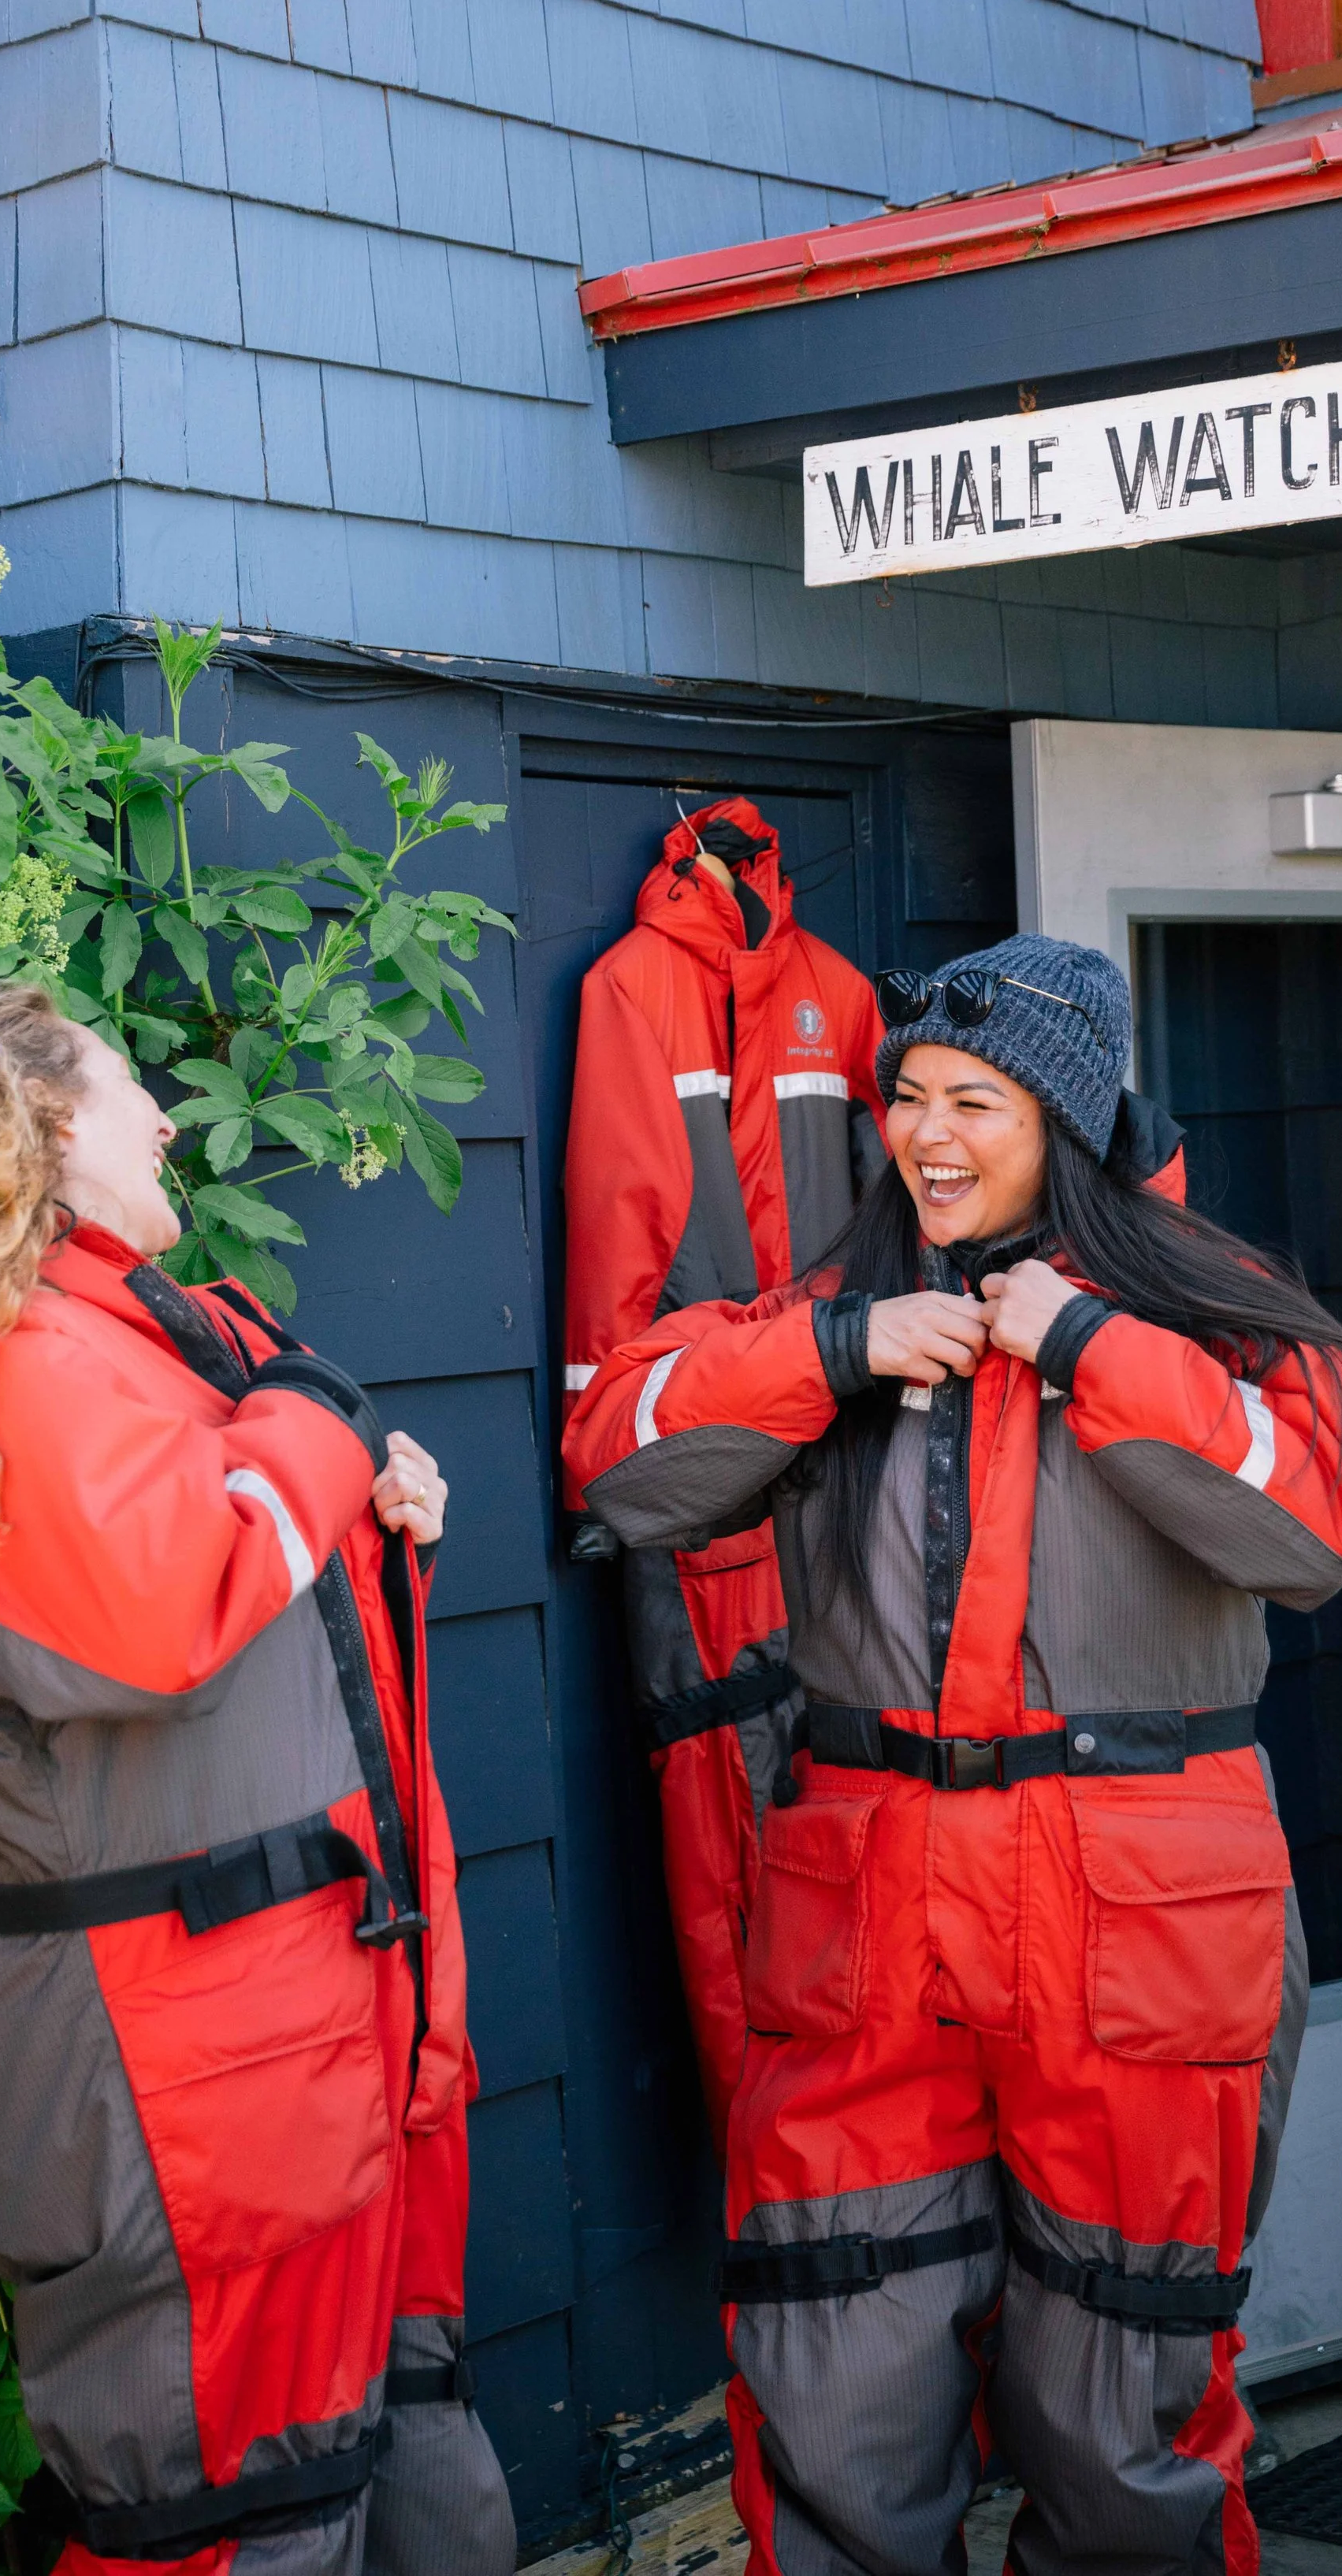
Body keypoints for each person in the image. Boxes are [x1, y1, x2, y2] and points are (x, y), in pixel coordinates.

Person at [563, 935, 1342, 2576]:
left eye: (975, 1099)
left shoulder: (1218, 1317)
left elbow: (1311, 1525)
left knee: (1120, 2416)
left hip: (1135, 1924)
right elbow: (620, 1459)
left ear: (1073, 1121)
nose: (924, 1133)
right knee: (831, 2387)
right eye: (904, 1095)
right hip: (866, 1916)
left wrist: (1086, 1343)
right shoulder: (844, 1303)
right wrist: (831, 1356)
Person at [0, 983, 515, 2576]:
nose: (174, 1120)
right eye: (138, 1093)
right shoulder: (28, 1366)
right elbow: (164, 1606)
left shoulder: (123, 1345)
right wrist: (320, 1428)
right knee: (214, 2529)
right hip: (184, 2094)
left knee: (338, 2490)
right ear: (55, 1127)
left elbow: (221, 1621)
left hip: (274, 2056)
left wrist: (365, 1523)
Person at [560, 799, 887, 2140]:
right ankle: (784, 2190)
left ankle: (866, 2166)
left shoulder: (842, 996)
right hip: (709, 1486)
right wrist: (613, 1472)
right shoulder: (633, 990)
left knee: (862, 1807)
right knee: (728, 1840)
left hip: (856, 1473)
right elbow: (614, 1232)